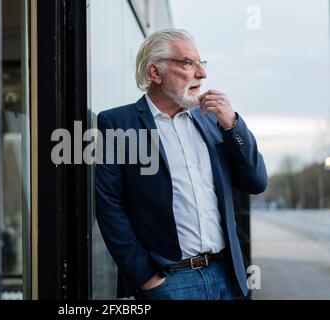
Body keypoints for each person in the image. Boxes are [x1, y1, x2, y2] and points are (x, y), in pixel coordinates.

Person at [95, 29, 268, 300]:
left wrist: (233, 123)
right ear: (155, 73)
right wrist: (145, 277)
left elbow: (256, 182)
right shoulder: (119, 124)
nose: (202, 73)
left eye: (201, 63)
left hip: (225, 274)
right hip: (169, 282)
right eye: (188, 63)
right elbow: (109, 206)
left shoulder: (212, 121)